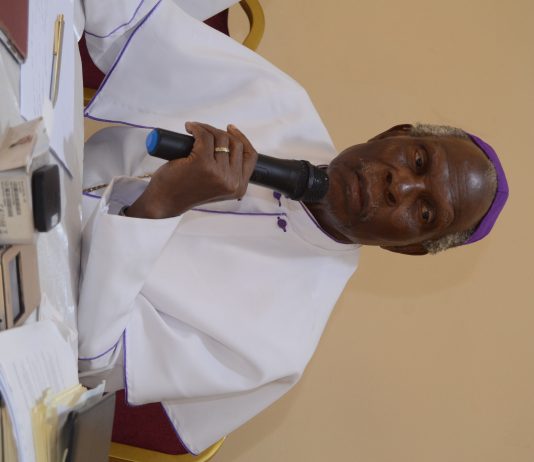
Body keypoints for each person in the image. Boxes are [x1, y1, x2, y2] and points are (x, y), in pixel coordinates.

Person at [78, 0, 509, 454]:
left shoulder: (278, 342)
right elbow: (126, 22)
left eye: (424, 213)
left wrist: (160, 206)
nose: (399, 185)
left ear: (409, 248)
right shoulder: (277, 101)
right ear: (392, 133)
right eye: (418, 160)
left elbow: (89, 362)